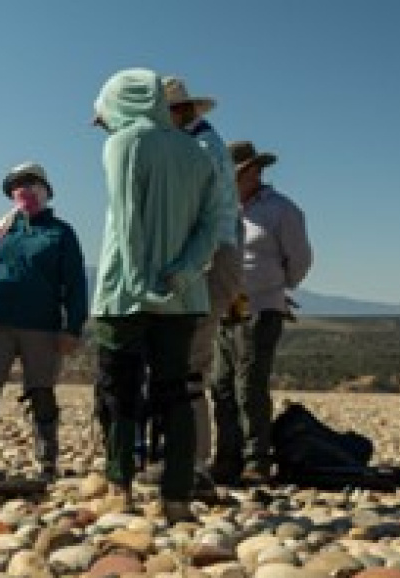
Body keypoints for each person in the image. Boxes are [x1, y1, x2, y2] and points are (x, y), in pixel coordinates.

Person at [91, 68, 224, 524]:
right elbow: (216, 222)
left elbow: (127, 218)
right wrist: (184, 271)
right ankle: (177, 496)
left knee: (119, 390)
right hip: (184, 296)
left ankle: (119, 485)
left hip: (124, 294)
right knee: (178, 391)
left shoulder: (124, 144)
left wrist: (140, 279)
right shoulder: (200, 152)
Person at [0, 162, 88, 481]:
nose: (24, 189)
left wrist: (73, 327)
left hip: (42, 326)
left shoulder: (61, 233)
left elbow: (76, 285)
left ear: (45, 189)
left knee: (41, 393)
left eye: (30, 182)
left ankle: (47, 460)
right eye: (17, 184)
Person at [211, 140, 313, 484]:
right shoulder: (220, 209)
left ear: (254, 172)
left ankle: (257, 458)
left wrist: (275, 287)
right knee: (220, 383)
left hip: (261, 307)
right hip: (222, 308)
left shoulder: (282, 210)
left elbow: (299, 259)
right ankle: (227, 456)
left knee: (249, 382)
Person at [162, 75, 242, 498]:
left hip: (207, 257)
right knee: (187, 361)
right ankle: (185, 459)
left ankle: (191, 465)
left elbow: (197, 214)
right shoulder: (206, 144)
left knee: (189, 363)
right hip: (214, 255)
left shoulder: (198, 150)